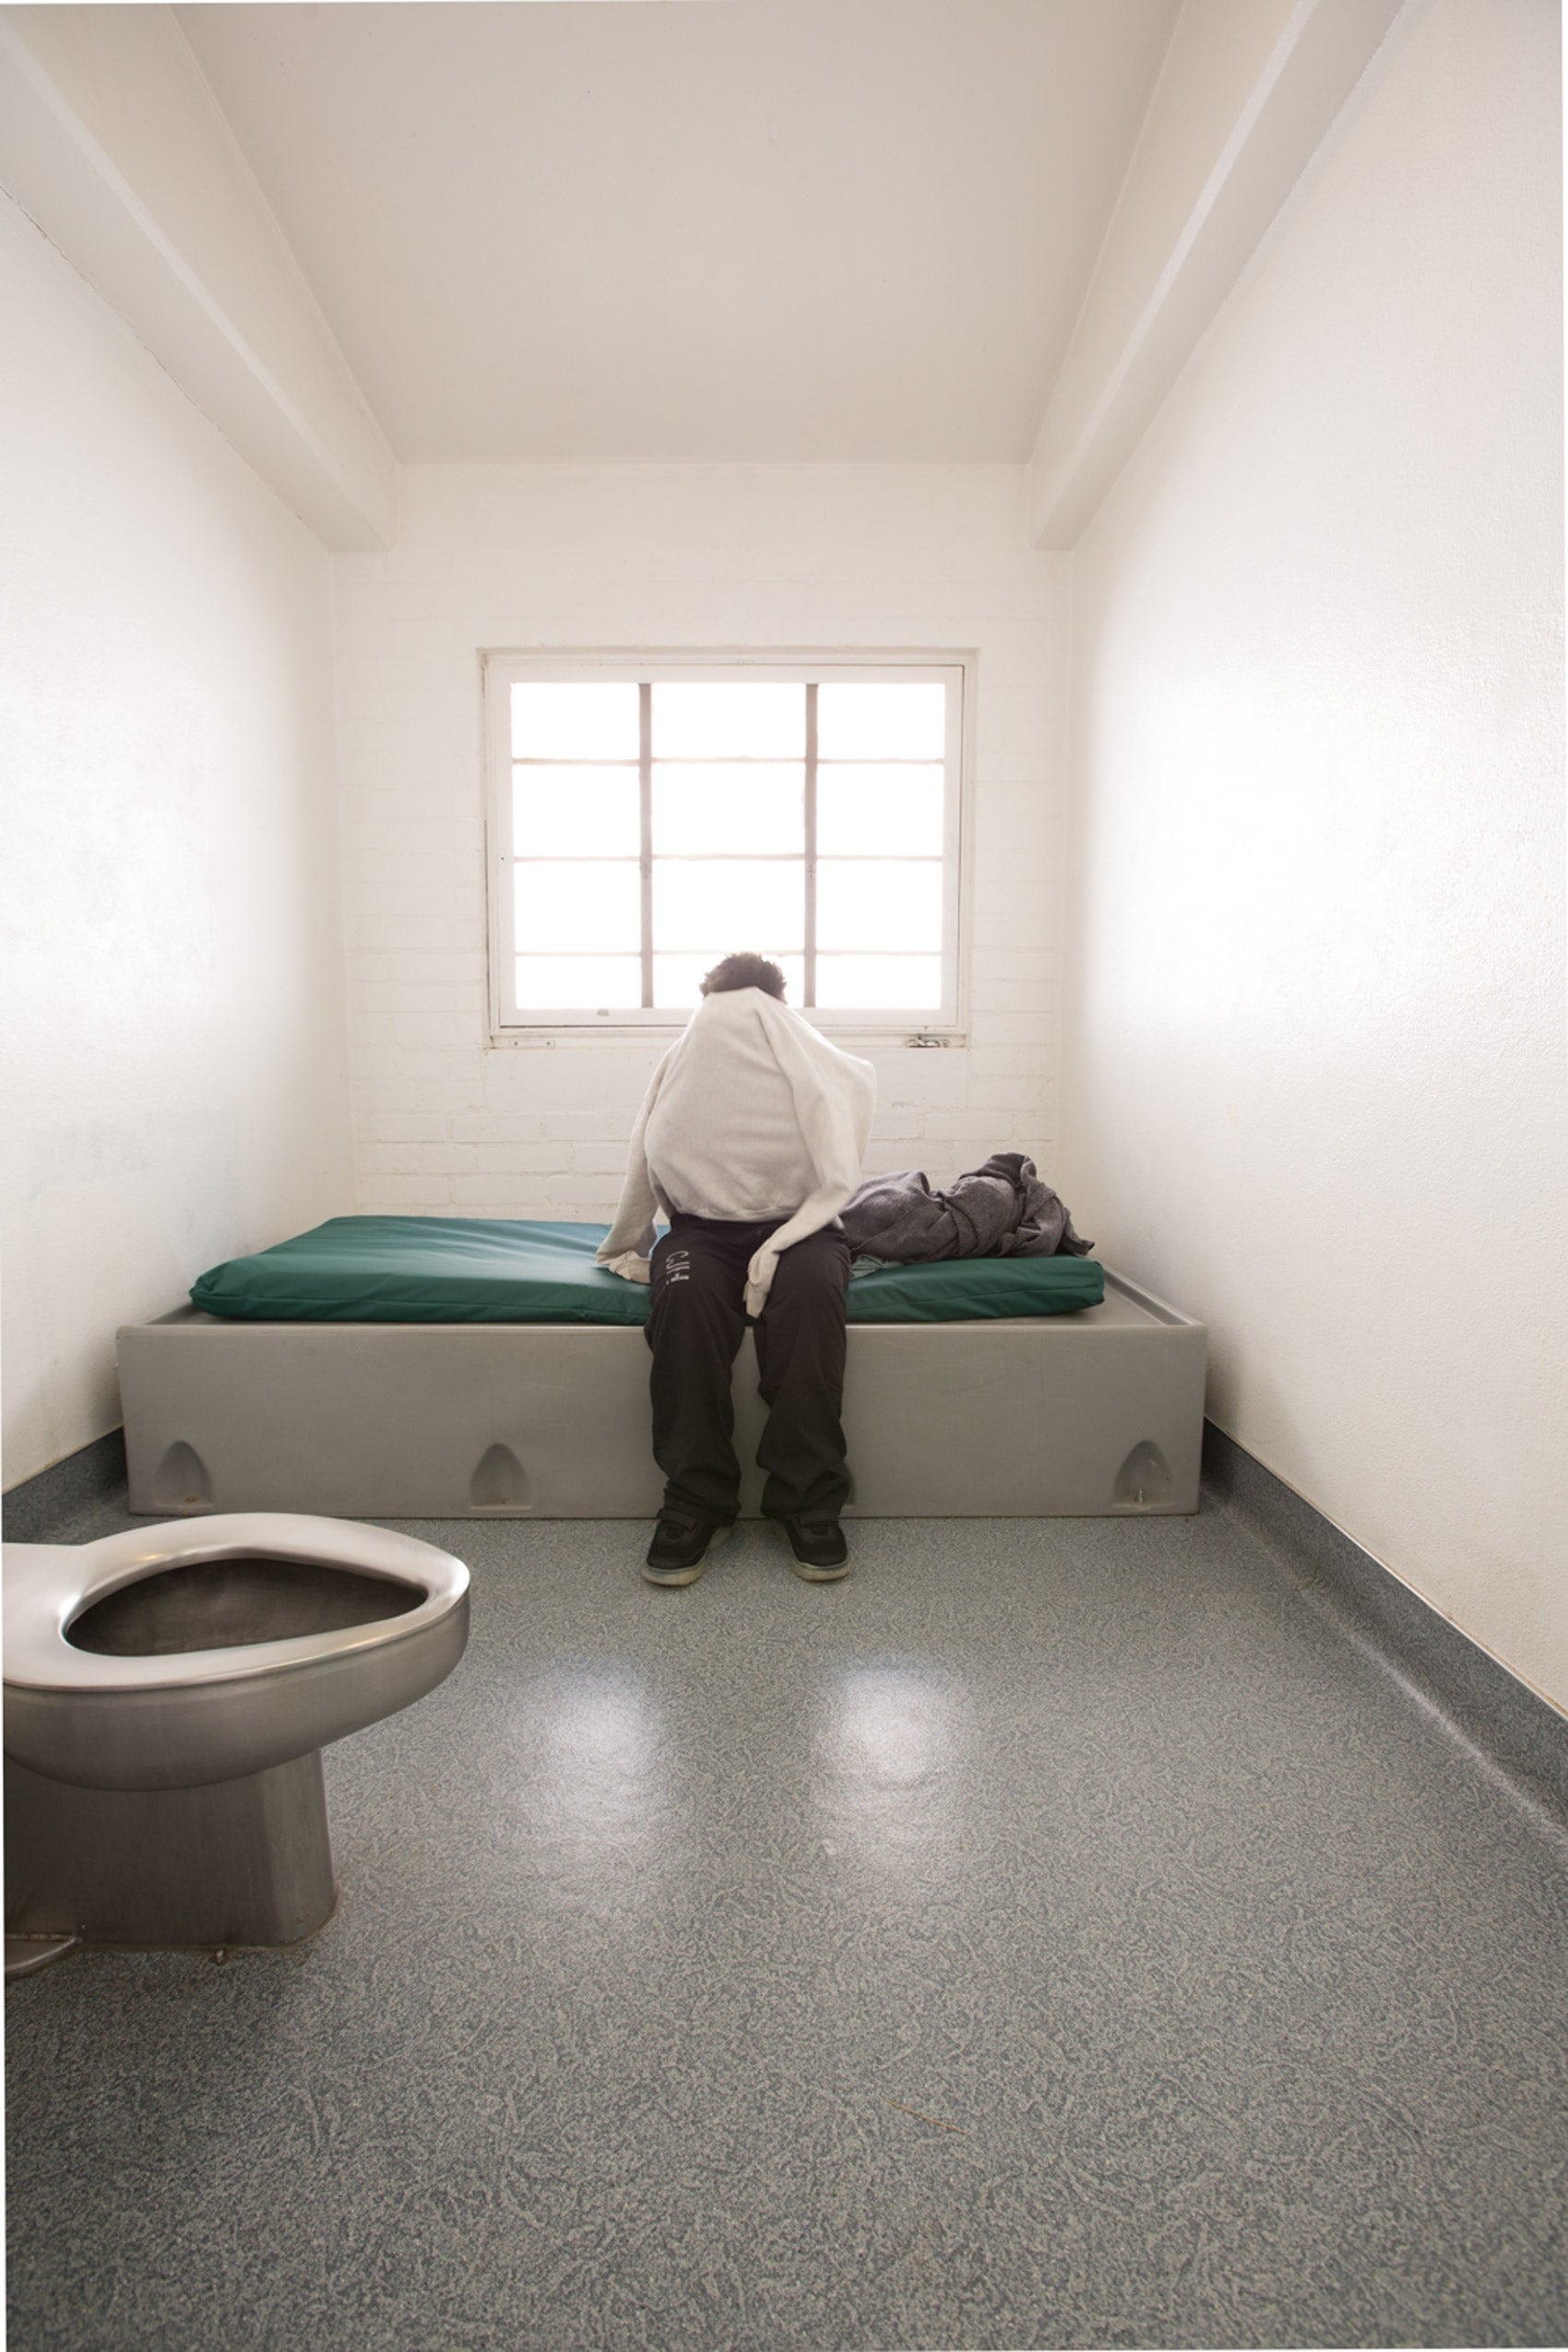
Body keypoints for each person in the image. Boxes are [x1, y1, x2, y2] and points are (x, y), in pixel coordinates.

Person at [597, 953, 875, 1587]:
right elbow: (649, 1147)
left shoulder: (806, 1054)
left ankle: (807, 1502)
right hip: (701, 1231)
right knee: (685, 1302)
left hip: (802, 1229)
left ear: (776, 1009)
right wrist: (632, 1238)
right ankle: (697, 1501)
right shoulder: (685, 1060)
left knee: (811, 1302)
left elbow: (852, 1093)